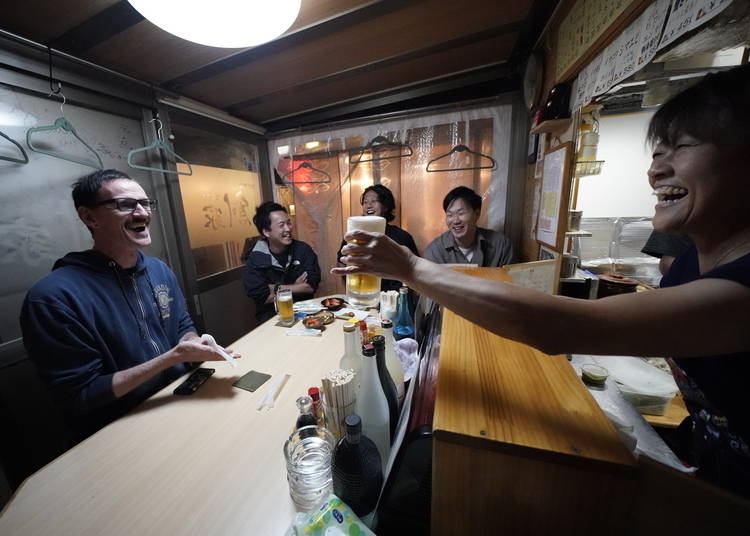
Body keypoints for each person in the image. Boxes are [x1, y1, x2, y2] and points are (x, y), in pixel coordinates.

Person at [334, 64, 750, 498]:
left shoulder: (741, 291)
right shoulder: (686, 267)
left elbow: (565, 325)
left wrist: (411, 268)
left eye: (680, 147)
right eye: (657, 153)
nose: (655, 172)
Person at [20, 169, 238, 442]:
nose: (142, 213)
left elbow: (181, 324)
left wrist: (193, 343)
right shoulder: (54, 297)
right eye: (125, 204)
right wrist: (173, 357)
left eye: (145, 203)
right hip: (121, 430)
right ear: (89, 217)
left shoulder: (158, 270)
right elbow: (80, 395)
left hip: (180, 398)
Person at [243, 201, 321, 324]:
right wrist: (295, 287)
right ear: (266, 232)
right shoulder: (255, 258)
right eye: (281, 225)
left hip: (304, 315)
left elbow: (310, 286)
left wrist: (276, 288)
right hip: (271, 318)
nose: (288, 228)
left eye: (288, 223)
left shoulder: (303, 250)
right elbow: (262, 296)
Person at [337, 184, 419, 292]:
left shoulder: (402, 237)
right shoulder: (355, 235)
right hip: (361, 295)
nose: (368, 206)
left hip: (394, 299)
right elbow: (341, 262)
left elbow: (413, 271)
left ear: (386, 206)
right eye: (365, 202)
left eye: (373, 201)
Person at [423, 186, 515, 267]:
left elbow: (511, 283)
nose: (455, 221)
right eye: (450, 215)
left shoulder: (501, 246)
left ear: (477, 214)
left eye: (461, 213)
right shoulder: (435, 251)